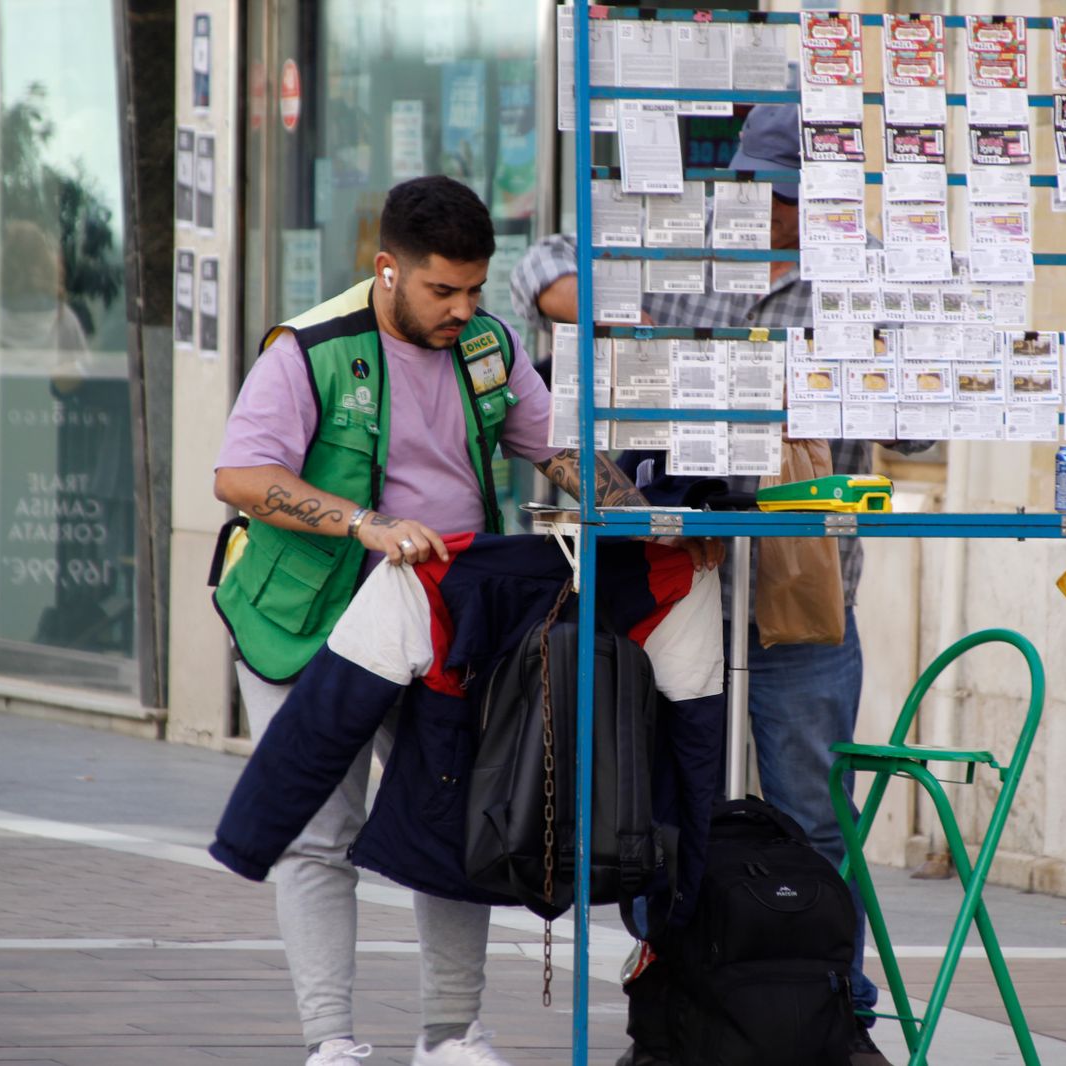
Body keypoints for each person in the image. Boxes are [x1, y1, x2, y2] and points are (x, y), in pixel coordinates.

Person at [211, 175, 723, 1066]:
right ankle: (331, 1040)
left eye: (475, 289)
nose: (463, 309)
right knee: (318, 836)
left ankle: (450, 1036)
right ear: (388, 270)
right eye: (442, 290)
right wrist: (367, 525)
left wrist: (646, 524)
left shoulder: (485, 344)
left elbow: (554, 447)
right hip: (305, 621)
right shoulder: (312, 348)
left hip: (446, 620)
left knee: (459, 816)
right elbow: (242, 477)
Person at [512, 105, 922, 1066]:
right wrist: (622, 321)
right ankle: (678, 1001)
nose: (770, 207)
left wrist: (870, 365)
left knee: (814, 816)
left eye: (786, 192)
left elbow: (918, 435)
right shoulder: (692, 242)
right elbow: (543, 268)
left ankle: (835, 1010)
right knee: (669, 809)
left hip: (805, 598)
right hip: (681, 587)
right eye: (759, 187)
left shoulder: (856, 277)